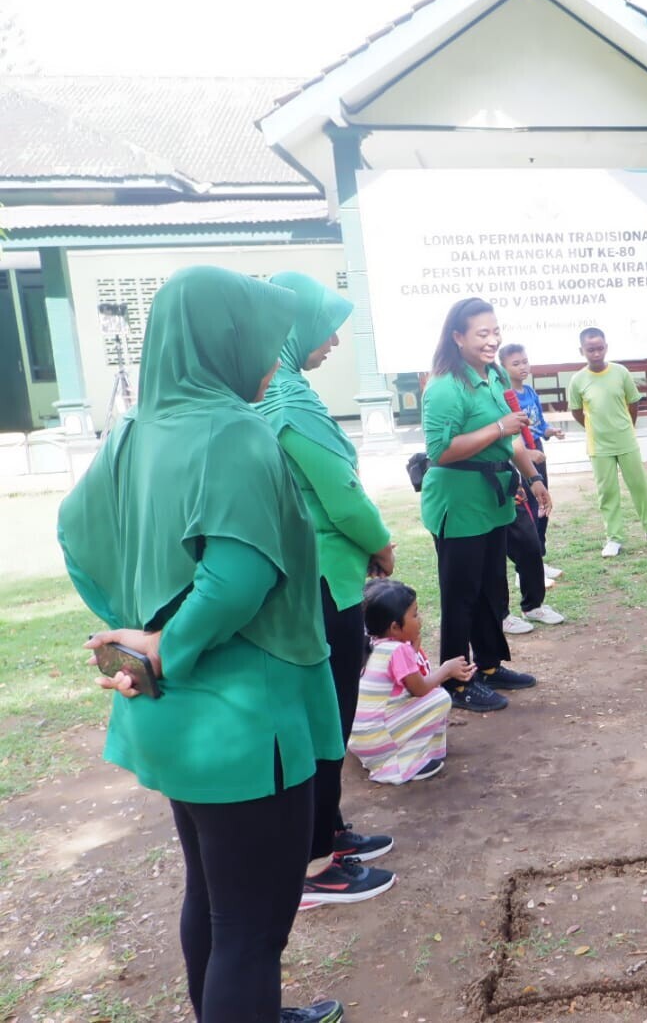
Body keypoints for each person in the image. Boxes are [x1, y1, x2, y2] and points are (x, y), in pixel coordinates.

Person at [58, 266, 346, 1023]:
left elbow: (76, 537)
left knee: (215, 899)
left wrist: (131, 625)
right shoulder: (234, 431)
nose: (272, 356)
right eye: (261, 338)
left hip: (175, 718)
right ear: (225, 339)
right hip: (244, 719)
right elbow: (238, 578)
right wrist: (162, 644)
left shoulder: (131, 431)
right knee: (252, 928)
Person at [254, 271, 398, 912]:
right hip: (323, 578)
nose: (335, 341)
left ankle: (330, 830)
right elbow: (340, 495)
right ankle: (317, 862)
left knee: (325, 711)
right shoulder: (288, 401)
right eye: (326, 327)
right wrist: (381, 544)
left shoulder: (271, 394)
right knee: (328, 715)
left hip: (308, 575)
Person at [421, 297, 553, 712]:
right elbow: (441, 450)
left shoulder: (494, 375)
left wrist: (533, 478)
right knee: (461, 595)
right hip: (459, 503)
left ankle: (490, 665)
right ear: (457, 337)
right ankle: (456, 682)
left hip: (494, 499)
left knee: (491, 588)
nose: (492, 340)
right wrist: (498, 426)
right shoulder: (445, 387)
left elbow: (512, 438)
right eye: (482, 333)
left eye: (496, 332)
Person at [349, 579, 472, 784]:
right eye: (414, 614)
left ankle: (410, 754)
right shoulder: (398, 650)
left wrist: (412, 649)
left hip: (360, 739)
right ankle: (402, 765)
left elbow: (403, 677)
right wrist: (446, 670)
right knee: (439, 698)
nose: (419, 619)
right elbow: (419, 689)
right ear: (395, 627)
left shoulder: (373, 644)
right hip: (378, 740)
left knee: (424, 696)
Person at [567, 326, 647, 557]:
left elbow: (633, 403)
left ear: (606, 347)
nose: (596, 353)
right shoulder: (578, 380)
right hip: (599, 445)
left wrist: (625, 427)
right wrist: (595, 429)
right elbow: (576, 411)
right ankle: (614, 538)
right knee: (607, 492)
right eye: (590, 349)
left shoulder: (621, 372)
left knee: (639, 486)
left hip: (626, 440)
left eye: (600, 348)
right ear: (581, 351)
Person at [492, 343, 566, 634]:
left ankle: (533, 604)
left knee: (531, 538)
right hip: (491, 480)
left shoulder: (519, 394)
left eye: (525, 361)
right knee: (494, 553)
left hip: (522, 469)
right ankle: (500, 614)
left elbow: (523, 432)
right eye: (515, 363)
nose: (522, 367)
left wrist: (533, 476)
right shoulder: (491, 394)